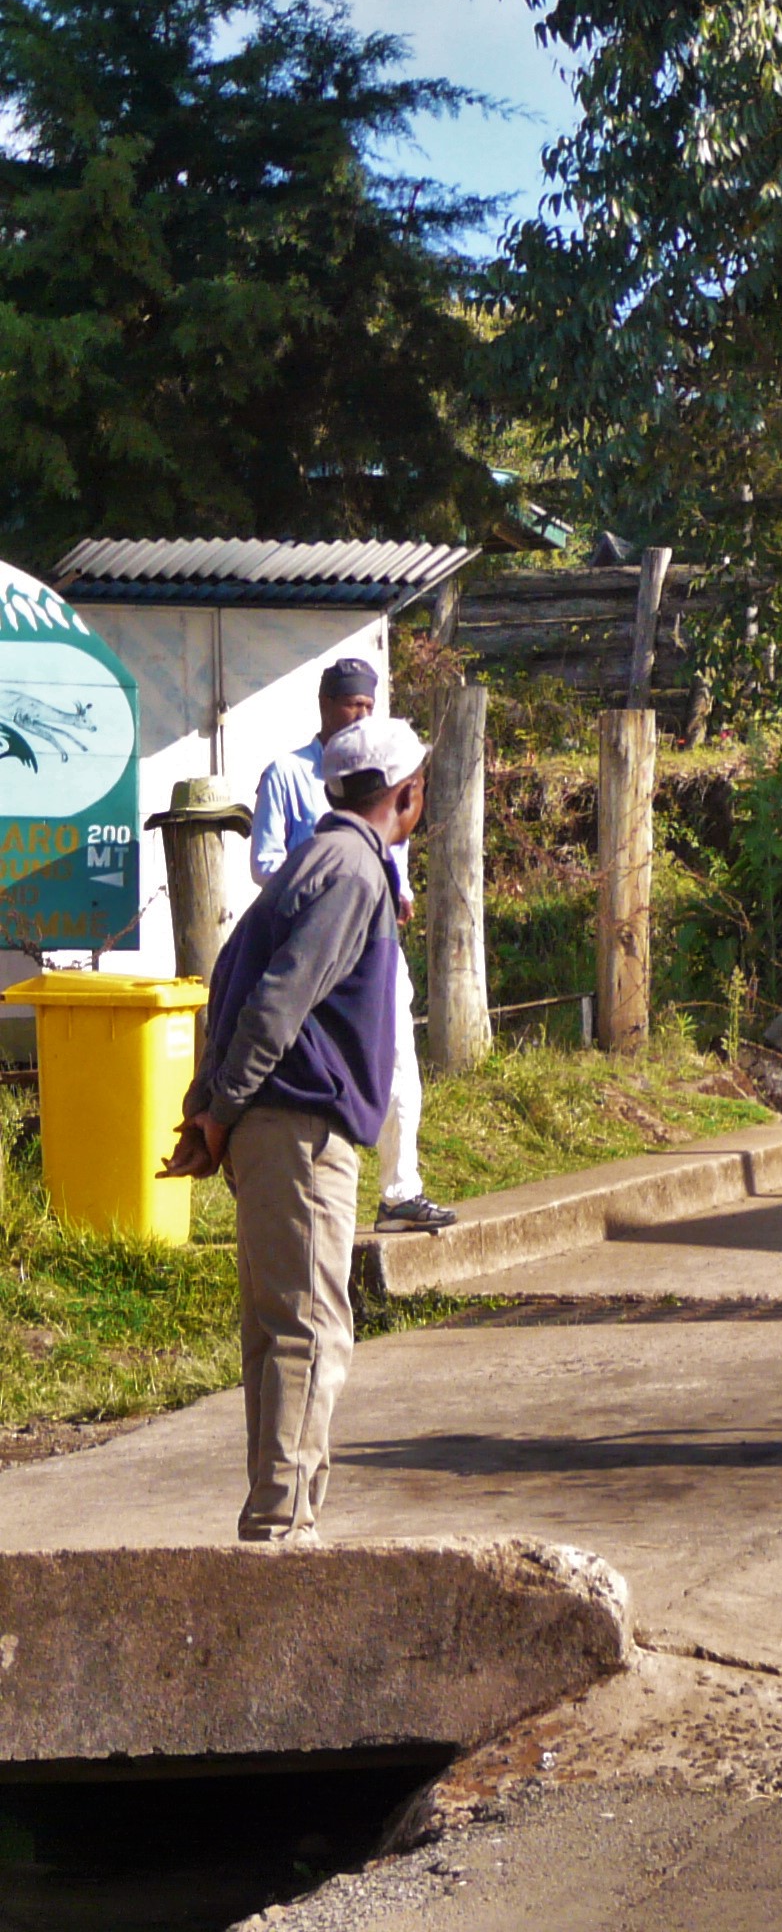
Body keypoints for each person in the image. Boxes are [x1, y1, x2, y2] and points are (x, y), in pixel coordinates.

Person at [161, 715, 428, 1542]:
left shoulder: (312, 861)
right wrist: (220, 1108)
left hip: (267, 1126)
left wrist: (211, 1107)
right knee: (308, 1332)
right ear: (408, 796)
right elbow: (276, 1002)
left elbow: (229, 985)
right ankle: (281, 1529)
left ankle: (282, 1514)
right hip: (300, 1131)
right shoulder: (354, 870)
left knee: (280, 1331)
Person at [254, 658, 448, 1231]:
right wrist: (327, 878)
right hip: (313, 943)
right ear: (325, 705)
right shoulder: (288, 773)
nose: (361, 715)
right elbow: (265, 861)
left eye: (368, 705)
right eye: (351, 705)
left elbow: (395, 853)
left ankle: (399, 1192)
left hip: (375, 940)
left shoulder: (388, 771)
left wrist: (400, 889)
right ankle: (303, 1190)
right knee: (308, 1066)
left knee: (398, 1061)